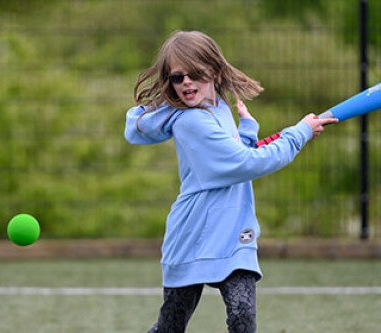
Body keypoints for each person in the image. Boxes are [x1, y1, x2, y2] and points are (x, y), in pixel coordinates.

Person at [124, 30, 337, 333]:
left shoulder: (219, 107)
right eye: (176, 77)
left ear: (213, 70)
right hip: (192, 236)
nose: (186, 82)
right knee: (169, 328)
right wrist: (298, 134)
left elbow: (236, 156)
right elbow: (244, 164)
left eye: (194, 73)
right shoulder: (191, 121)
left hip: (234, 233)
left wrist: (248, 131)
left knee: (242, 316)